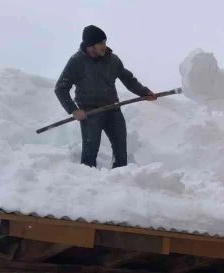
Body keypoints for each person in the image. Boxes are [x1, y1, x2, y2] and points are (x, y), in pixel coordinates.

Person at [54, 25, 156, 168]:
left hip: (113, 109)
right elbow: (60, 88)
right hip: (90, 113)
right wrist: (73, 110)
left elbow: (128, 79)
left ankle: (120, 179)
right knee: (90, 153)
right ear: (90, 46)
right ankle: (88, 183)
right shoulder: (76, 62)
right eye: (100, 43)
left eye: (105, 42)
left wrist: (144, 92)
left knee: (121, 150)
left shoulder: (112, 60)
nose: (104, 46)